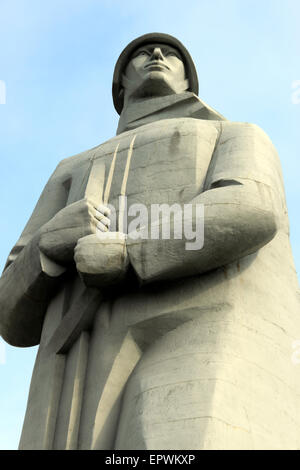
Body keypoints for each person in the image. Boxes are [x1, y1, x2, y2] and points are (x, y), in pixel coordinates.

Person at [0, 33, 299, 450]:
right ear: (119, 84)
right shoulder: (69, 170)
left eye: (172, 54)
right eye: (141, 53)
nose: (157, 54)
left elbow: (251, 207)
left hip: (198, 335)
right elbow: (10, 317)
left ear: (189, 82)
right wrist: (46, 245)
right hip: (66, 382)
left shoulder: (235, 135)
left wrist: (133, 251)